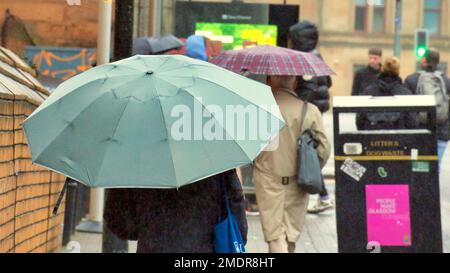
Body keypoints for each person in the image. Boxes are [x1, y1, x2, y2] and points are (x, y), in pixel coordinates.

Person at [253, 75, 331, 253]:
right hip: (298, 181)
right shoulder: (309, 110)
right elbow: (324, 148)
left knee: (275, 236)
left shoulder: (259, 108)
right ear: (294, 83)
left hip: (268, 180)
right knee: (290, 236)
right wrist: (311, 168)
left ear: (269, 82)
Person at [104, 170, 247, 253]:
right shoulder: (214, 150)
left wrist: (148, 228)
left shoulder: (135, 154)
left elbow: (119, 221)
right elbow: (235, 205)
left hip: (154, 246)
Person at [288, 21, 334, 214]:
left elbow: (310, 89)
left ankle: (323, 196)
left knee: (306, 153)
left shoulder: (305, 60)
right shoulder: (316, 56)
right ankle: (322, 196)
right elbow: (328, 82)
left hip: (308, 112)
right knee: (309, 153)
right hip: (316, 110)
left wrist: (298, 104)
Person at [405, 48, 450, 168]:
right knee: (436, 167)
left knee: (419, 167)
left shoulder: (412, 79)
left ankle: (420, 187)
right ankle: (433, 187)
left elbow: (406, 108)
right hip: (441, 131)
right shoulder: (446, 81)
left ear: (423, 60)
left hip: (419, 131)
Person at [356, 56, 417, 131]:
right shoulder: (405, 93)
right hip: (399, 139)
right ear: (398, 71)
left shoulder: (369, 92)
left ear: (382, 69)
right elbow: (412, 123)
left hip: (373, 139)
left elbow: (359, 121)